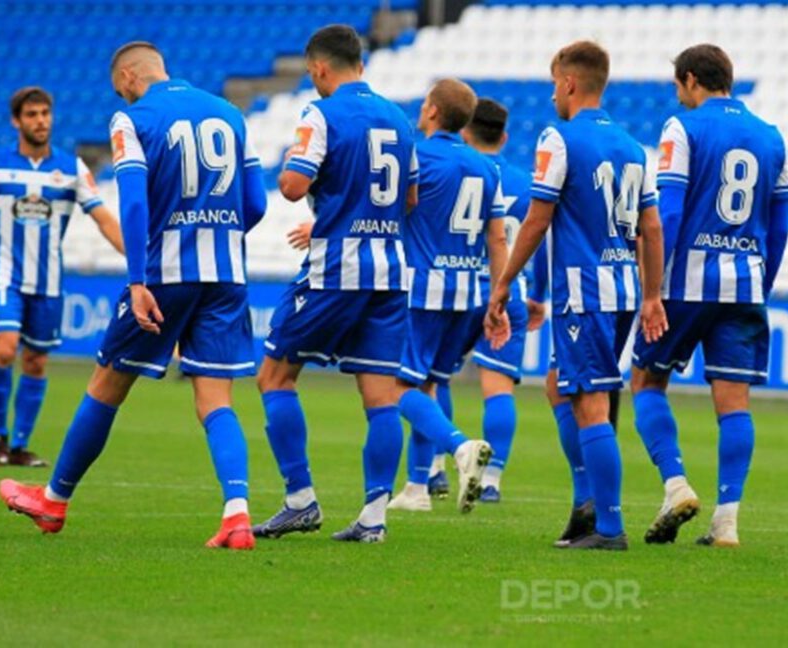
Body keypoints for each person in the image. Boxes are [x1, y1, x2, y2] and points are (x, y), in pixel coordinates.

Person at [0, 42, 266, 550]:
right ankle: (237, 515)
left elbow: (136, 201)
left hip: (165, 273)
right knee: (215, 399)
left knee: (106, 385)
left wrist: (139, 280)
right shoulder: (231, 114)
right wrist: (222, 237)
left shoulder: (131, 118)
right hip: (227, 272)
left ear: (127, 76)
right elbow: (254, 202)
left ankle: (53, 501)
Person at [252, 26, 489, 545]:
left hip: (337, 267)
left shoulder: (322, 113)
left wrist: (330, 188)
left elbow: (291, 186)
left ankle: (299, 500)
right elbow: (407, 200)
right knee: (381, 396)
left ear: (318, 69)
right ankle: (373, 517)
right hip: (391, 270)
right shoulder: (399, 121)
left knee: (274, 376)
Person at [485, 41, 667, 551]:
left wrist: (504, 284)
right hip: (624, 289)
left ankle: (608, 527)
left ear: (568, 83)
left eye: (553, 84)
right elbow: (651, 228)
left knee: (588, 401)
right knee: (558, 386)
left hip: (583, 290)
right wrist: (651, 295)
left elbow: (537, 219)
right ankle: (587, 503)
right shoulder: (634, 147)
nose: (550, 95)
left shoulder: (559, 139)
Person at [629, 44, 788, 548]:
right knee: (734, 402)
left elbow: (669, 216)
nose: (678, 97)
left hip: (686, 284)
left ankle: (675, 484)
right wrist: (760, 287)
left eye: (679, 87)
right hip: (745, 284)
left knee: (645, 381)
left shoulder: (684, 128)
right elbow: (781, 226)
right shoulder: (772, 137)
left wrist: (652, 290)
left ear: (692, 80)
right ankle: (727, 521)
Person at [0, 86, 125, 467]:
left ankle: (20, 445)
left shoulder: (71, 169)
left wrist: (140, 259)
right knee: (5, 349)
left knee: (37, 362)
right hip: (4, 278)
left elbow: (104, 219)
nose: (40, 121)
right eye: (31, 115)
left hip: (49, 284)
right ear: (16, 121)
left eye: (45, 114)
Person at [390, 97, 528, 510]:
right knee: (435, 383)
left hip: (425, 291)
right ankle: (421, 488)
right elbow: (501, 238)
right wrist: (503, 297)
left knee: (396, 387)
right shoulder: (497, 171)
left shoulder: (421, 156)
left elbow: (399, 207)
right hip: (480, 292)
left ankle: (456, 448)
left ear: (434, 112)